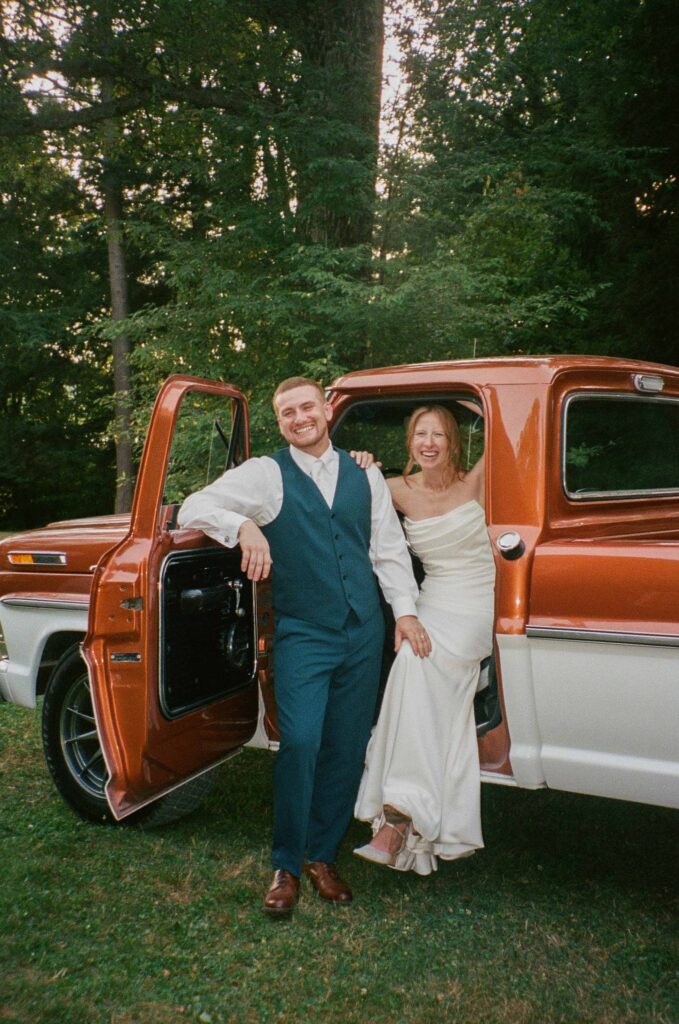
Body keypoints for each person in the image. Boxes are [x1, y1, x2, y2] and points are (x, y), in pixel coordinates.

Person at [177, 377, 431, 915]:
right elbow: (193, 507)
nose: (299, 418)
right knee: (300, 742)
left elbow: (387, 550)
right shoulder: (267, 474)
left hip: (364, 632)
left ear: (326, 410)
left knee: (345, 745)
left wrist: (404, 614)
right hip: (305, 634)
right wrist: (244, 525)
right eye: (287, 412)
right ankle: (286, 865)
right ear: (281, 421)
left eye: (307, 407)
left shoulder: (366, 473)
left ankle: (322, 856)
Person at [353, 404, 495, 876]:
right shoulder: (396, 489)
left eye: (438, 434)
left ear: (454, 441)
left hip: (475, 605)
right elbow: (339, 490)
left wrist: (487, 410)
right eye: (420, 434)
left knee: (420, 668)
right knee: (412, 664)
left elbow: (517, 433)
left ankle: (394, 822)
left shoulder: (474, 482)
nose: (429, 443)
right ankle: (400, 817)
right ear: (410, 443)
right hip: (432, 600)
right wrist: (360, 462)